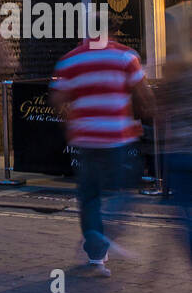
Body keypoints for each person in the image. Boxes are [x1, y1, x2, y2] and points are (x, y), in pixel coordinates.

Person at [49, 21, 153, 276]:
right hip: (117, 136)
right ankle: (106, 228)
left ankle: (97, 253)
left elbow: (57, 99)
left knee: (89, 194)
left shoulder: (70, 60)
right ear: (112, 31)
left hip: (85, 139)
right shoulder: (126, 57)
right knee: (126, 188)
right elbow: (143, 94)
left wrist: (70, 124)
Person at [155, 20, 192, 293]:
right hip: (181, 154)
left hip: (181, 154)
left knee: (189, 224)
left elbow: (159, 114)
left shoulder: (176, 70)